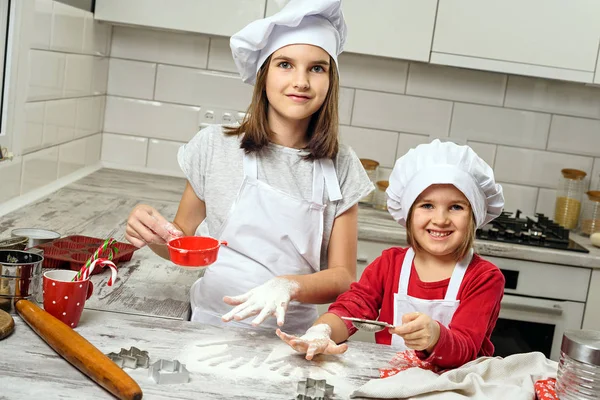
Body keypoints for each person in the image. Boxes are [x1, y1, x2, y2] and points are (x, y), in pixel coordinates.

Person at [124, 0, 373, 333]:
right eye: (285, 64)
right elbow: (181, 242)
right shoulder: (214, 147)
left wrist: (289, 285)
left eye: (317, 68)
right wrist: (153, 233)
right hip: (208, 325)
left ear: (330, 80)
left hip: (292, 338)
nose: (301, 81)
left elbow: (343, 277)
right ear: (263, 74)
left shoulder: (342, 166)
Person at [277, 139, 506, 369]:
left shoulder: (484, 278)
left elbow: (465, 348)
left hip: (456, 388)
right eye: (427, 205)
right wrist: (322, 331)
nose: (440, 219)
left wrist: (435, 336)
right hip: (393, 383)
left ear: (474, 215)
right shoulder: (390, 265)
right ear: (408, 213)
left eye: (456, 207)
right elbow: (351, 309)